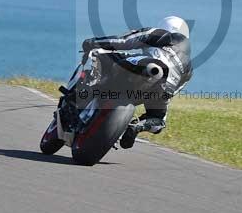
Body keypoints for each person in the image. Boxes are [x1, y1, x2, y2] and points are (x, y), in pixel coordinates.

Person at [80, 15, 193, 149]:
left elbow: (124, 41)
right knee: (159, 120)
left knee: (102, 54)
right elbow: (172, 92)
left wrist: (93, 42)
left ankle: (89, 86)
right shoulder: (190, 68)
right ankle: (136, 126)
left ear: (164, 26)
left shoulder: (159, 33)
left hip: (144, 66)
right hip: (162, 89)